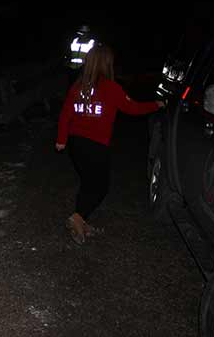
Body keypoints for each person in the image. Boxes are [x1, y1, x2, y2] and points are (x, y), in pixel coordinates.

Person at [55, 44, 163, 244]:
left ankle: (82, 222)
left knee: (89, 182)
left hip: (75, 144)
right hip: (95, 145)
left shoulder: (78, 85)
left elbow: (65, 115)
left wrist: (62, 140)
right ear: (106, 64)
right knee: (100, 186)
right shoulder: (111, 88)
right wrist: (155, 104)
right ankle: (78, 217)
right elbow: (132, 108)